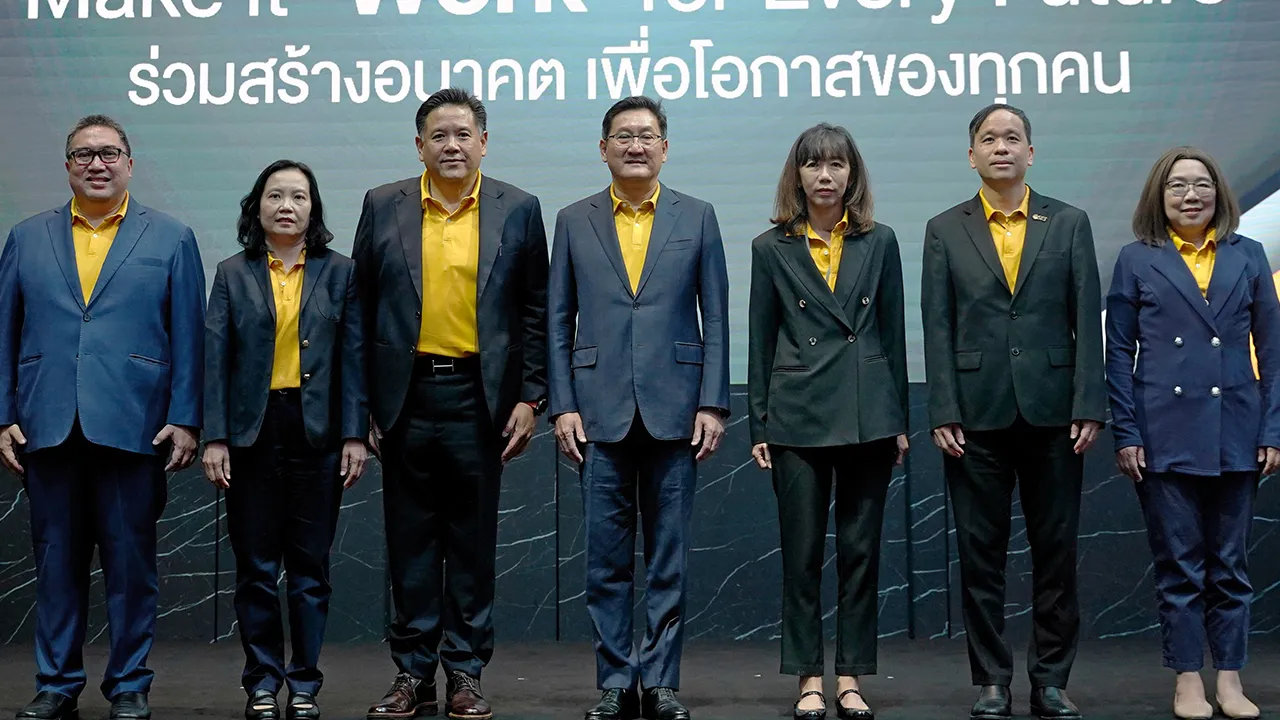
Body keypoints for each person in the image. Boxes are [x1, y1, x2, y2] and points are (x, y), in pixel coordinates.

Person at [0, 115, 205, 720]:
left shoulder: (172, 237)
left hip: (135, 425)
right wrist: (3, 415)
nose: (97, 164)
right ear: (67, 166)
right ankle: (56, 685)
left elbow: (189, 335)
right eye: (84, 154)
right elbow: (4, 333)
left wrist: (187, 418)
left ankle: (129, 685)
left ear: (130, 164)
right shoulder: (26, 236)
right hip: (47, 424)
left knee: (131, 567)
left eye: (110, 153)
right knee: (55, 565)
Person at [353, 87, 549, 720]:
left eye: (464, 134)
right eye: (439, 135)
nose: (452, 145)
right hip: (403, 396)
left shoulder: (519, 209)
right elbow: (358, 310)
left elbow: (536, 310)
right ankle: (412, 673)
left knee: (471, 542)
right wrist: (362, 404)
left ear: (484, 142)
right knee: (409, 541)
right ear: (419, 146)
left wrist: (532, 396)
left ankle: (465, 670)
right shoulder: (382, 204)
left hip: (480, 398)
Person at [919, 104, 1106, 720]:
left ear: (1031, 152)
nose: (1001, 147)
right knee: (981, 556)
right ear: (971, 154)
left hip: (1055, 414)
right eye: (988, 139)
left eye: (1012, 138)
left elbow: (1086, 317)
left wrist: (1089, 402)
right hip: (975, 416)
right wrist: (942, 408)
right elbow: (937, 325)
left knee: (1056, 552)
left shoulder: (1069, 222)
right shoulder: (944, 229)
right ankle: (992, 681)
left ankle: (1051, 679)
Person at [548, 95, 730, 720]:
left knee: (667, 559)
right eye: (623, 136)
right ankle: (614, 681)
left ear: (665, 148)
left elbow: (716, 317)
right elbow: (557, 320)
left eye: (647, 135)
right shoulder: (572, 220)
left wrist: (713, 403)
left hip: (676, 410)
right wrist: (562, 405)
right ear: (603, 149)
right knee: (604, 561)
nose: (635, 145)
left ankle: (660, 682)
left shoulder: (697, 216)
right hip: (596, 412)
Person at [1105, 147, 1279, 720]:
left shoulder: (1249, 254)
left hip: (1237, 428)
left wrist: (1273, 427)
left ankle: (1229, 677)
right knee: (1180, 565)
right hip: (1163, 431)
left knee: (1230, 564)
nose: (1190, 195)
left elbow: (1273, 352)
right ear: (1159, 197)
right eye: (1177, 185)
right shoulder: (1136, 259)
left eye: (1201, 184)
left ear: (1218, 193)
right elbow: (1118, 354)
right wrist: (1127, 433)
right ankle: (1187, 679)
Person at [747, 123, 909, 720]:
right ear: (797, 174)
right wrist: (759, 425)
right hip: (797, 414)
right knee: (802, 554)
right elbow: (760, 340)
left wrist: (898, 418)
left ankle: (851, 677)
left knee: (862, 553)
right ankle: (809, 677)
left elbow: (892, 334)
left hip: (869, 413)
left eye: (836, 164)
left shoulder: (881, 241)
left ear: (852, 174)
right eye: (813, 164)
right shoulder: (771, 247)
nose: (824, 175)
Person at [202, 160, 368, 720]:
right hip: (251, 433)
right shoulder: (232, 273)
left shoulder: (340, 272)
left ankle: (304, 684)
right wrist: (215, 437)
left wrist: (354, 434)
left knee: (309, 569)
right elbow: (216, 361)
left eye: (298, 196)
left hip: (317, 433)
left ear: (313, 208)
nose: (286, 206)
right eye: (275, 196)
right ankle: (262, 683)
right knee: (254, 567)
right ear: (257, 207)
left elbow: (354, 359)